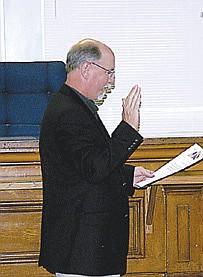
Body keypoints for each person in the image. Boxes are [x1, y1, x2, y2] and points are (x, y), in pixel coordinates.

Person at [38, 38, 154, 277]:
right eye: (109, 73)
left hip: (87, 250)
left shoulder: (73, 107)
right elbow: (95, 168)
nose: (111, 82)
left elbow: (82, 166)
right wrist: (129, 128)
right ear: (87, 68)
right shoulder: (69, 112)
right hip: (83, 250)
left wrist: (128, 175)